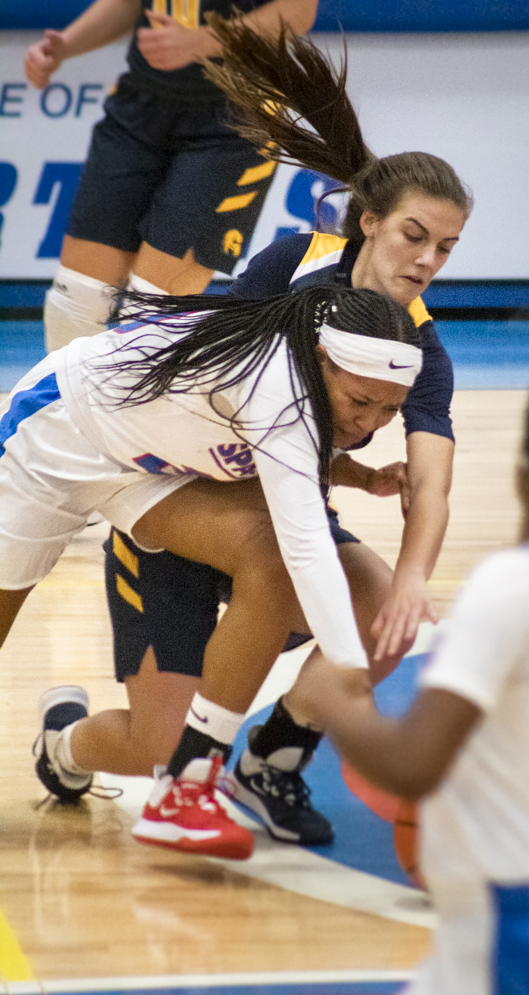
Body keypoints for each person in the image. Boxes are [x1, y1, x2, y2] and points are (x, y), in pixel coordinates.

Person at [34, 22, 473, 848]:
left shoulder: (424, 350)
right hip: (180, 503)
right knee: (153, 747)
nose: (426, 260)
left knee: (384, 607)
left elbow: (433, 481)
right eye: (415, 235)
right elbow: (221, 406)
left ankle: (269, 760)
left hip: (281, 519)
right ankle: (63, 744)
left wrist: (414, 577)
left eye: (445, 248)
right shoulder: (286, 266)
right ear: (368, 222)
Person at [293, 352, 529, 995]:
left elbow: (412, 765)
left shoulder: (511, 587)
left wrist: (332, 697)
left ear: (525, 475)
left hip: (517, 941)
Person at [1, 284, 421, 858]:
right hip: (55, 434)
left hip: (153, 471)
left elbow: (268, 440)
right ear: (323, 361)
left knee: (275, 561)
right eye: (361, 402)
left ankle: (189, 782)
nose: (370, 421)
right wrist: (349, 668)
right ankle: (105, 752)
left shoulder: (319, 373)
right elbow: (308, 545)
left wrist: (351, 473)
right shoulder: (279, 384)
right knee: (294, 558)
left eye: (389, 410)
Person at [24, 0, 318, 352]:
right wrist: (67, 45)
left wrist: (203, 40)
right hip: (141, 102)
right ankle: (64, 404)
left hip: (236, 117)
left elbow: (298, 11)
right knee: (76, 300)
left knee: (150, 312)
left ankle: (129, 405)